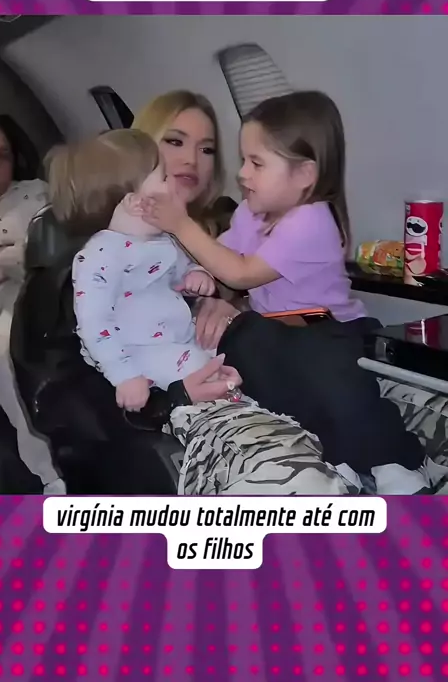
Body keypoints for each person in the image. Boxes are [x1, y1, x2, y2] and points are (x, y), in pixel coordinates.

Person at [140, 91, 435, 495]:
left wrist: (181, 225)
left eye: (256, 163)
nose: (242, 174)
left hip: (330, 327)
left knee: (329, 376)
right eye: (243, 160)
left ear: (304, 175)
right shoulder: (250, 214)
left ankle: (394, 461)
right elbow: (220, 255)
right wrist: (188, 277)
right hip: (280, 329)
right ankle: (340, 457)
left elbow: (241, 272)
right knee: (251, 348)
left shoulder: (310, 220)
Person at [47, 128, 242, 411]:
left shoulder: (160, 240)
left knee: (233, 353)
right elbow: (94, 322)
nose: (173, 182)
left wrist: (194, 275)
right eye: (164, 177)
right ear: (135, 202)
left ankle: (248, 412)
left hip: (177, 336)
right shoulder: (101, 255)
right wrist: (124, 375)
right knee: (203, 369)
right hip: (138, 353)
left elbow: (179, 270)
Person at [0, 115, 65, 494]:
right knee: (9, 354)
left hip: (66, 280)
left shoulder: (37, 192)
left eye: (3, 155)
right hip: (1, 308)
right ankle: (50, 476)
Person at [133, 90, 242, 348]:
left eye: (206, 149)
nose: (191, 160)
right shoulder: (109, 233)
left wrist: (234, 311)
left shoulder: (230, 225)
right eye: (175, 142)